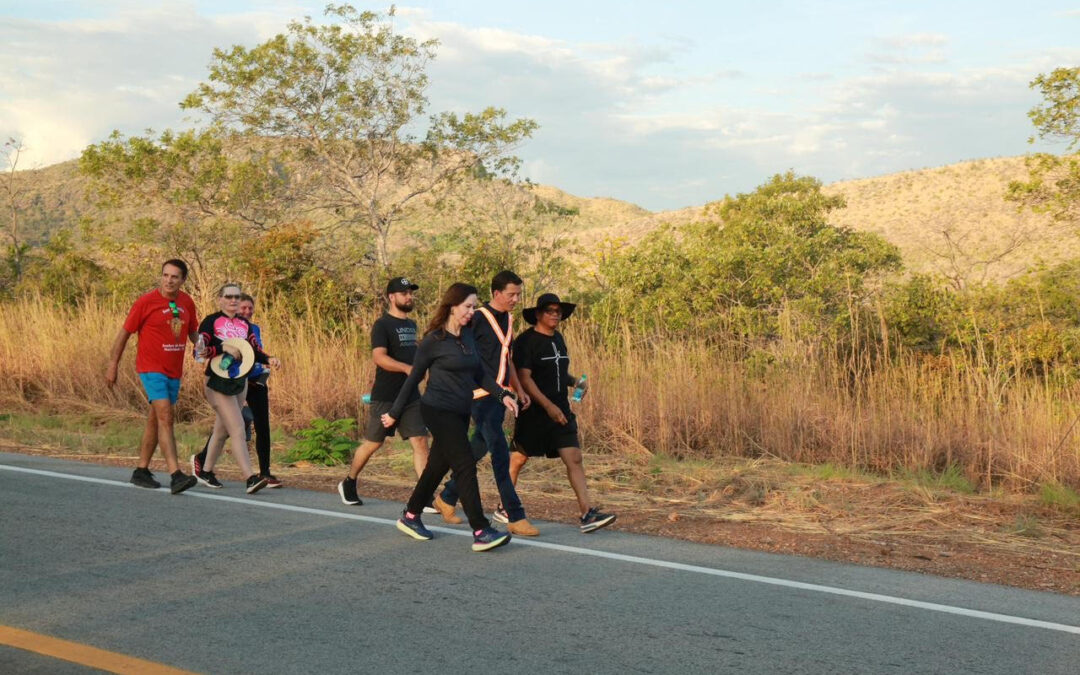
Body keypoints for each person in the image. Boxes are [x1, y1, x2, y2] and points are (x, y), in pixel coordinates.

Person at [382, 282, 517, 552]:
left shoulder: (467, 336)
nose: (472, 311)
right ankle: (481, 529)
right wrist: (394, 413)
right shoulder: (434, 340)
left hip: (460, 411)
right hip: (437, 410)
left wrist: (502, 395)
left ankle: (410, 515)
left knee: (436, 468)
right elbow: (413, 380)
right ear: (452, 306)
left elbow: (479, 374)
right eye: (468, 306)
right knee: (465, 465)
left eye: (474, 306)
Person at [434, 271, 539, 537]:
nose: (516, 299)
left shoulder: (509, 319)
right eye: (511, 294)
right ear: (496, 294)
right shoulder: (477, 318)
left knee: (476, 449)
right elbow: (460, 350)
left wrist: (519, 389)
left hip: (499, 395)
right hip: (479, 396)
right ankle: (515, 515)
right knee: (500, 453)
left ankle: (447, 497)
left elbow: (508, 357)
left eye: (518, 294)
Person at [510, 293, 616, 533]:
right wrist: (547, 406)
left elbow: (556, 370)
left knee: (574, 457)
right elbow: (525, 379)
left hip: (561, 410)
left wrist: (575, 382)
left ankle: (587, 513)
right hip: (535, 411)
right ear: (537, 314)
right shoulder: (527, 341)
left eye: (558, 311)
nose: (555, 315)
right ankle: (506, 506)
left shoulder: (558, 338)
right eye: (549, 310)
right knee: (518, 458)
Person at [105, 259, 200, 494]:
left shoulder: (187, 302)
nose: (169, 280)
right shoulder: (146, 302)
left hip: (173, 371)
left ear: (183, 280)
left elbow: (193, 332)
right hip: (151, 368)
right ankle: (176, 475)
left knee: (155, 419)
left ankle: (141, 471)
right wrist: (113, 364)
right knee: (166, 417)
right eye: (165, 275)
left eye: (174, 277)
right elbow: (124, 334)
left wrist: (204, 348)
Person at [338, 277, 434, 508]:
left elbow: (413, 353)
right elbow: (379, 357)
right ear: (391, 297)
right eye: (404, 293)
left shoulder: (412, 325)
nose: (409, 297)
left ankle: (424, 496)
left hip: (411, 395)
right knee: (374, 442)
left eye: (411, 293)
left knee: (420, 441)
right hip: (386, 395)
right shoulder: (382, 325)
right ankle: (349, 482)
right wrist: (407, 369)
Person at [190, 293, 282, 487]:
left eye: (236, 297)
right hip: (218, 378)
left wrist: (268, 359)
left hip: (241, 379)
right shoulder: (212, 320)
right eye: (228, 296)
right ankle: (250, 477)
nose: (233, 301)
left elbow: (253, 350)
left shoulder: (246, 326)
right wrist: (222, 348)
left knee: (222, 430)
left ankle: (205, 470)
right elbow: (202, 347)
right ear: (220, 300)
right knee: (238, 427)